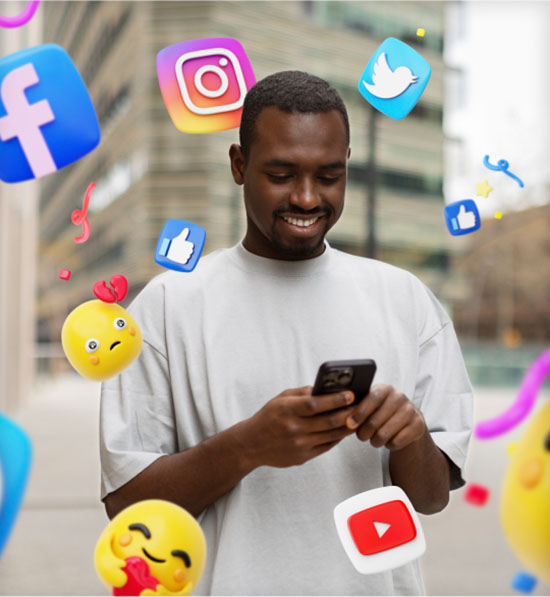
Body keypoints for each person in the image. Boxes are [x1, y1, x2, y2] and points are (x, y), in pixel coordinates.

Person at [100, 71, 473, 596]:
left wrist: (410, 435)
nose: (305, 197)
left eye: (328, 175)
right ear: (238, 165)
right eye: (281, 173)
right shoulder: (167, 307)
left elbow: (431, 498)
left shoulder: (406, 300)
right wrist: (248, 446)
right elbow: (126, 507)